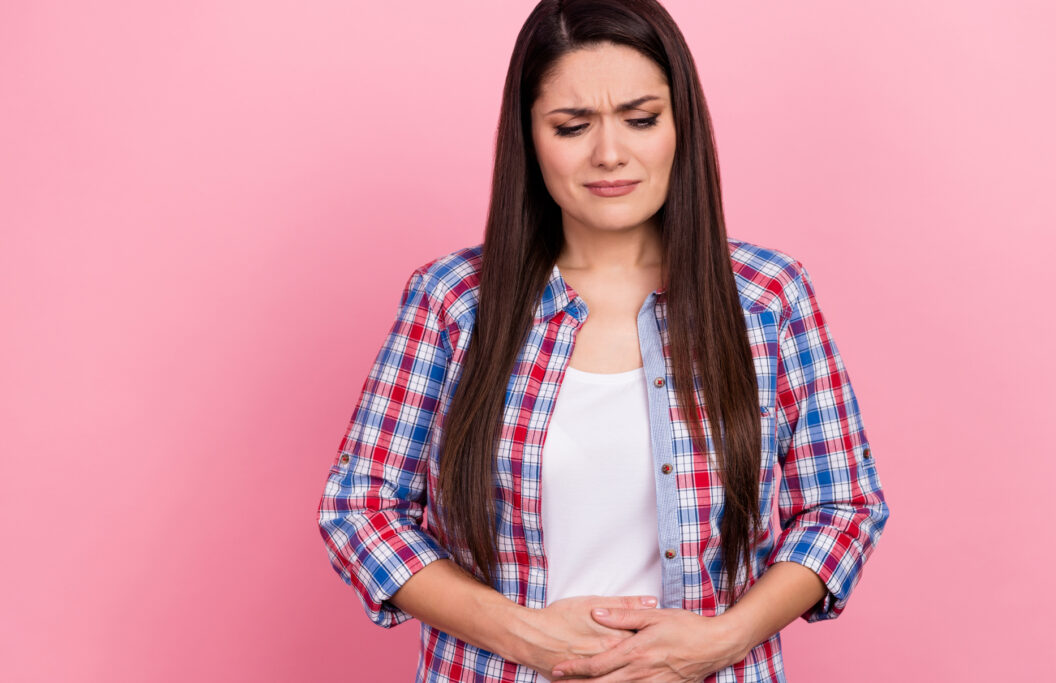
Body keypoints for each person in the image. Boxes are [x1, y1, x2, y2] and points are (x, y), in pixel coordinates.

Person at [316, 1, 889, 681]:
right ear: (529, 136)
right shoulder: (454, 302)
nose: (610, 153)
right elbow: (361, 508)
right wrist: (524, 634)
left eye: (641, 119)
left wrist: (723, 638)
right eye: (572, 126)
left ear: (681, 125)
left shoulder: (767, 299)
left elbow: (842, 507)